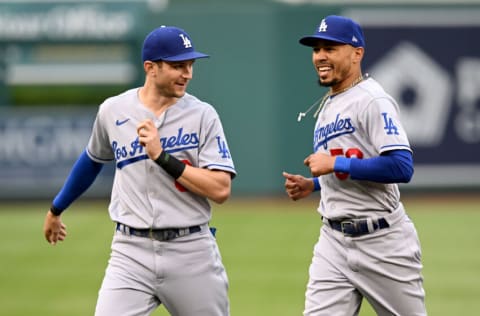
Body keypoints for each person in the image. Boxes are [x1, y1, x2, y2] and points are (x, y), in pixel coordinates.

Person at [43, 25, 236, 316]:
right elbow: (92, 159)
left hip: (191, 250)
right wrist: (56, 208)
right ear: (151, 67)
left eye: (190, 64)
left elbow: (220, 189)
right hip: (130, 251)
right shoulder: (113, 110)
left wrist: (162, 157)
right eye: (177, 65)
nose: (188, 73)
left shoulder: (202, 115)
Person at [283, 15, 427, 315]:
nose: (320, 56)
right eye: (316, 48)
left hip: (382, 241)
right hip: (332, 242)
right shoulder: (329, 105)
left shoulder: (372, 100)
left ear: (356, 53)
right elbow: (349, 167)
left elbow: (401, 167)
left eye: (331, 48)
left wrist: (334, 162)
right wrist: (313, 185)